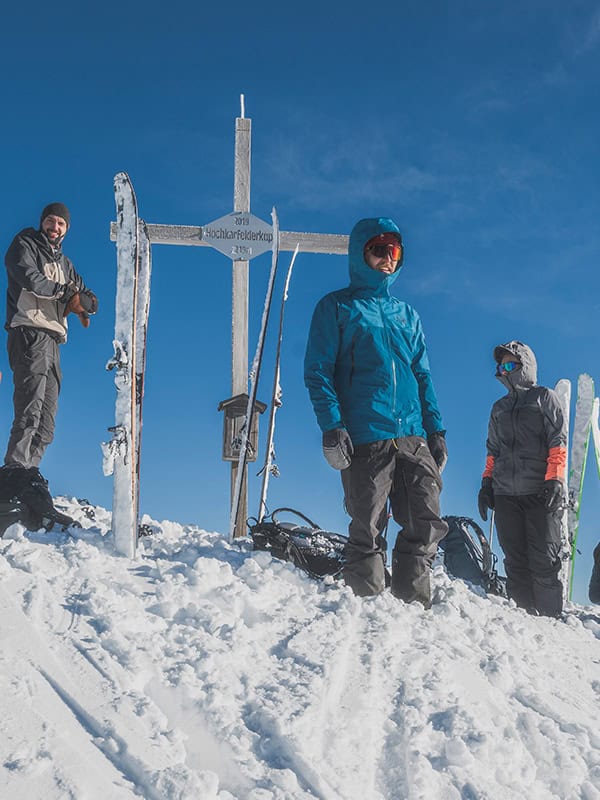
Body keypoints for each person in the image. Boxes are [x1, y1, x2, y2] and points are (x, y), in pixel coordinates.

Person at [304, 217, 448, 606]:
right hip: (366, 431)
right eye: (378, 249)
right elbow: (318, 371)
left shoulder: (407, 315)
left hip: (412, 432)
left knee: (426, 516)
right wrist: (332, 425)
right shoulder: (336, 307)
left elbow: (423, 374)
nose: (387, 258)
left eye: (394, 251)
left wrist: (436, 429)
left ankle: (414, 603)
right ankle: (367, 605)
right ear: (360, 253)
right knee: (367, 521)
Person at [0, 202, 97, 525]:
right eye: (51, 221)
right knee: (30, 406)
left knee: (47, 418)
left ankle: (28, 477)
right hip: (29, 331)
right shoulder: (25, 244)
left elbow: (88, 298)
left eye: (61, 224)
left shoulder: (65, 263)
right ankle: (14, 474)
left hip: (54, 340)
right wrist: (64, 293)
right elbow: (28, 277)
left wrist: (81, 301)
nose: (55, 227)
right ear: (42, 222)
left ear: (67, 229)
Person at [477, 341, 567, 617]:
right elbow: (493, 449)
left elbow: (557, 440)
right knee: (514, 560)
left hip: (540, 491)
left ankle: (550, 623)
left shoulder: (544, 397)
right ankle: (524, 624)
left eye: (509, 365)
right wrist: (487, 483)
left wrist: (555, 479)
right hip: (506, 495)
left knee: (543, 560)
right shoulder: (498, 408)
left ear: (525, 365)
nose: (503, 371)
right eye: (500, 366)